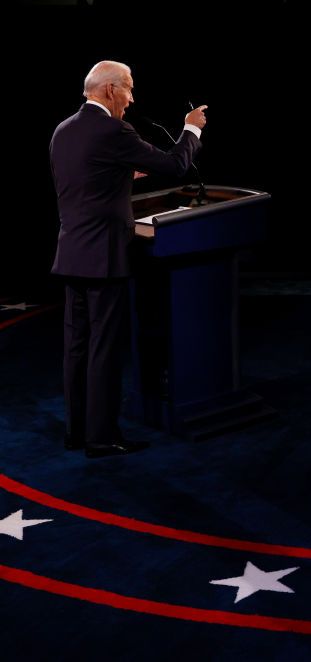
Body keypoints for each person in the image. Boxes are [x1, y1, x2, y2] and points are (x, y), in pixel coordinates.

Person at [50, 60, 208, 457]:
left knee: (77, 348)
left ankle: (78, 431)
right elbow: (176, 165)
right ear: (109, 91)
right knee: (103, 349)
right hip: (103, 258)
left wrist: (121, 175)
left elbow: (83, 181)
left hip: (72, 254)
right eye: (129, 89)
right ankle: (102, 439)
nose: (132, 99)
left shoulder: (63, 130)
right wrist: (191, 128)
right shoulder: (113, 129)